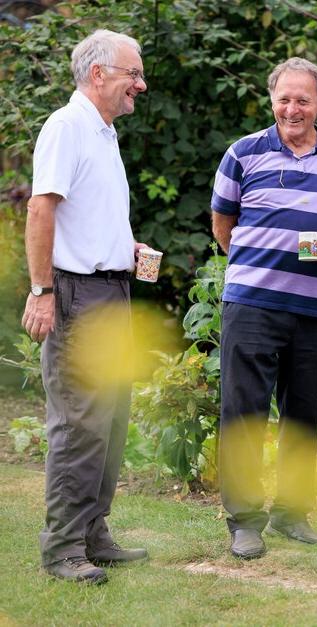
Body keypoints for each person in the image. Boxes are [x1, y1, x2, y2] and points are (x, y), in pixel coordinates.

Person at [211, 57, 317, 560]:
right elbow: (224, 227)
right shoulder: (243, 154)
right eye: (284, 98)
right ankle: (243, 522)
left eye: (303, 99)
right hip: (252, 306)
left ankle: (292, 513)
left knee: (303, 416)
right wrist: (257, 264)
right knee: (243, 415)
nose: (292, 108)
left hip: (316, 310)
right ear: (272, 100)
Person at [21, 29, 151, 584]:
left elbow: (87, 215)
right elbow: (41, 210)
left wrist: (128, 248)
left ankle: (93, 532)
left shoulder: (103, 133)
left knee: (111, 421)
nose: (140, 85)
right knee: (78, 423)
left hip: (112, 290)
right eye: (132, 74)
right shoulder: (67, 126)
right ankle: (62, 549)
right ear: (98, 74)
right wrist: (42, 291)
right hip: (77, 295)